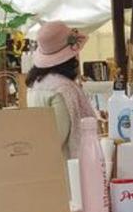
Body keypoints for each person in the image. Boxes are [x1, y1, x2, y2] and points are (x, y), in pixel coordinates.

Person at [27, 21, 97, 160]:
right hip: (67, 171)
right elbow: (58, 136)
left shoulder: (36, 84)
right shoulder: (63, 88)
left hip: (46, 168)